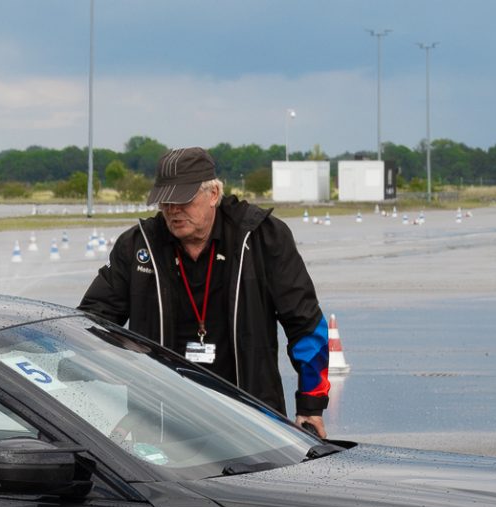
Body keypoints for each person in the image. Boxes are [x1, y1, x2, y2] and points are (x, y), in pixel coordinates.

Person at [79, 146, 335, 438]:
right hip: (161, 421)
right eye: (165, 201)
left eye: (183, 200)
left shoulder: (263, 238)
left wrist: (311, 405)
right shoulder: (138, 246)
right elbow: (91, 323)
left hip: (252, 418)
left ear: (213, 194)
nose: (173, 210)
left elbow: (306, 325)